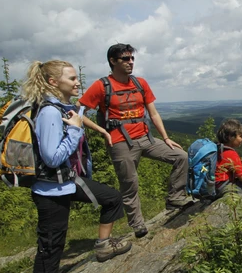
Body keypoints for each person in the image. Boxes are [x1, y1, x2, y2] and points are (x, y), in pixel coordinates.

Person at [23, 60, 130, 273]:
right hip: (50, 189)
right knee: (51, 242)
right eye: (71, 79)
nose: (77, 82)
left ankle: (103, 246)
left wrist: (94, 128)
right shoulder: (49, 112)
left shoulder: (62, 106)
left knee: (113, 198)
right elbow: (51, 158)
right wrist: (74, 133)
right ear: (53, 82)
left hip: (68, 182)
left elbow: (77, 118)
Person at [80, 44, 190, 239]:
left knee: (181, 156)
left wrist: (165, 138)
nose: (130, 62)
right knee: (130, 184)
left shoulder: (140, 83)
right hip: (120, 143)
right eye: (125, 59)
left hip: (146, 138)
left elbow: (153, 113)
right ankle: (138, 225)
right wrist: (102, 131)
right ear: (113, 61)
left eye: (132, 58)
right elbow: (78, 113)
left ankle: (175, 198)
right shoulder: (102, 85)